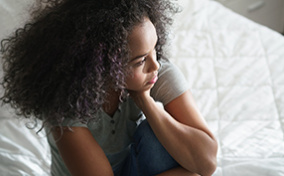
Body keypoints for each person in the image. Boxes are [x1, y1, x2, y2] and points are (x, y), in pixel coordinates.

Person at [0, 0, 218, 175]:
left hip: (132, 167)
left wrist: (145, 100)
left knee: (158, 135)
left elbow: (207, 162)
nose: (156, 65)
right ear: (103, 65)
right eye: (140, 60)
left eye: (155, 50)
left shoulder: (154, 72)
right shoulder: (64, 105)